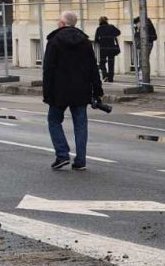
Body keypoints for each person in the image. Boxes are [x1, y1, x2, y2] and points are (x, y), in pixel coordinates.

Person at [42, 11, 102, 171]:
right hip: (81, 89)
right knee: (80, 125)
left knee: (54, 121)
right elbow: (93, 68)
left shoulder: (54, 41)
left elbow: (48, 69)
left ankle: (62, 154)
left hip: (58, 90)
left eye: (58, 21)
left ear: (62, 23)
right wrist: (97, 91)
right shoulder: (85, 41)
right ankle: (81, 160)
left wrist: (46, 93)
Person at [93, 16, 121, 83]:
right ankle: (110, 78)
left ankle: (104, 75)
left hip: (103, 48)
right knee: (111, 63)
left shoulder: (99, 28)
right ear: (106, 21)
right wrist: (112, 35)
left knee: (102, 62)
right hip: (111, 47)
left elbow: (96, 39)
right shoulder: (111, 27)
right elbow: (118, 32)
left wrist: (101, 42)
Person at [132, 15, 158, 82]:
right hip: (148, 43)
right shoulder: (148, 24)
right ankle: (145, 76)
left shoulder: (145, 26)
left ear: (139, 22)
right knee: (144, 60)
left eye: (136, 24)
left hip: (146, 44)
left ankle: (144, 77)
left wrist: (138, 31)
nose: (136, 25)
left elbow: (153, 36)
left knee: (143, 60)